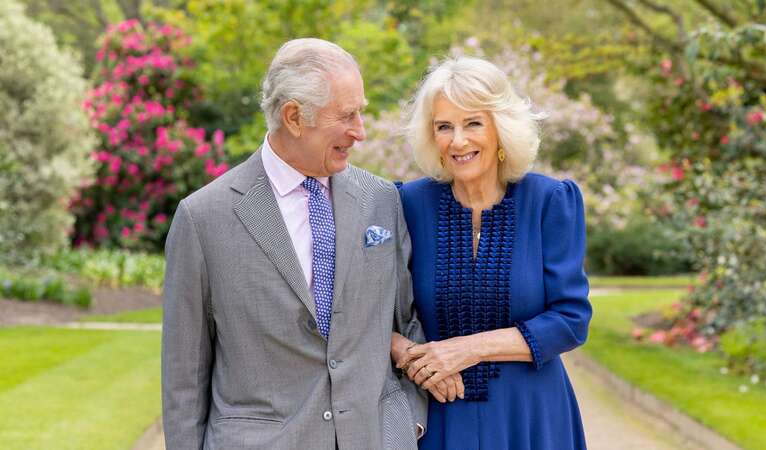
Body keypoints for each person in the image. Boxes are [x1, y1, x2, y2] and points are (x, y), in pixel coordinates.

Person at [161, 38, 429, 450]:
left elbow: (406, 320)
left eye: (361, 111)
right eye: (347, 115)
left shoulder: (382, 200)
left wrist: (405, 423)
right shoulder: (203, 218)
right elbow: (184, 376)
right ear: (293, 117)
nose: (361, 131)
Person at [391, 56, 592, 450]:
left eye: (473, 123)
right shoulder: (406, 204)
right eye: (444, 127)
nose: (458, 141)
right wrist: (413, 357)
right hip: (441, 414)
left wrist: (465, 349)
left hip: (533, 418)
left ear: (501, 128)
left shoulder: (550, 201)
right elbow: (368, 309)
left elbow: (571, 320)